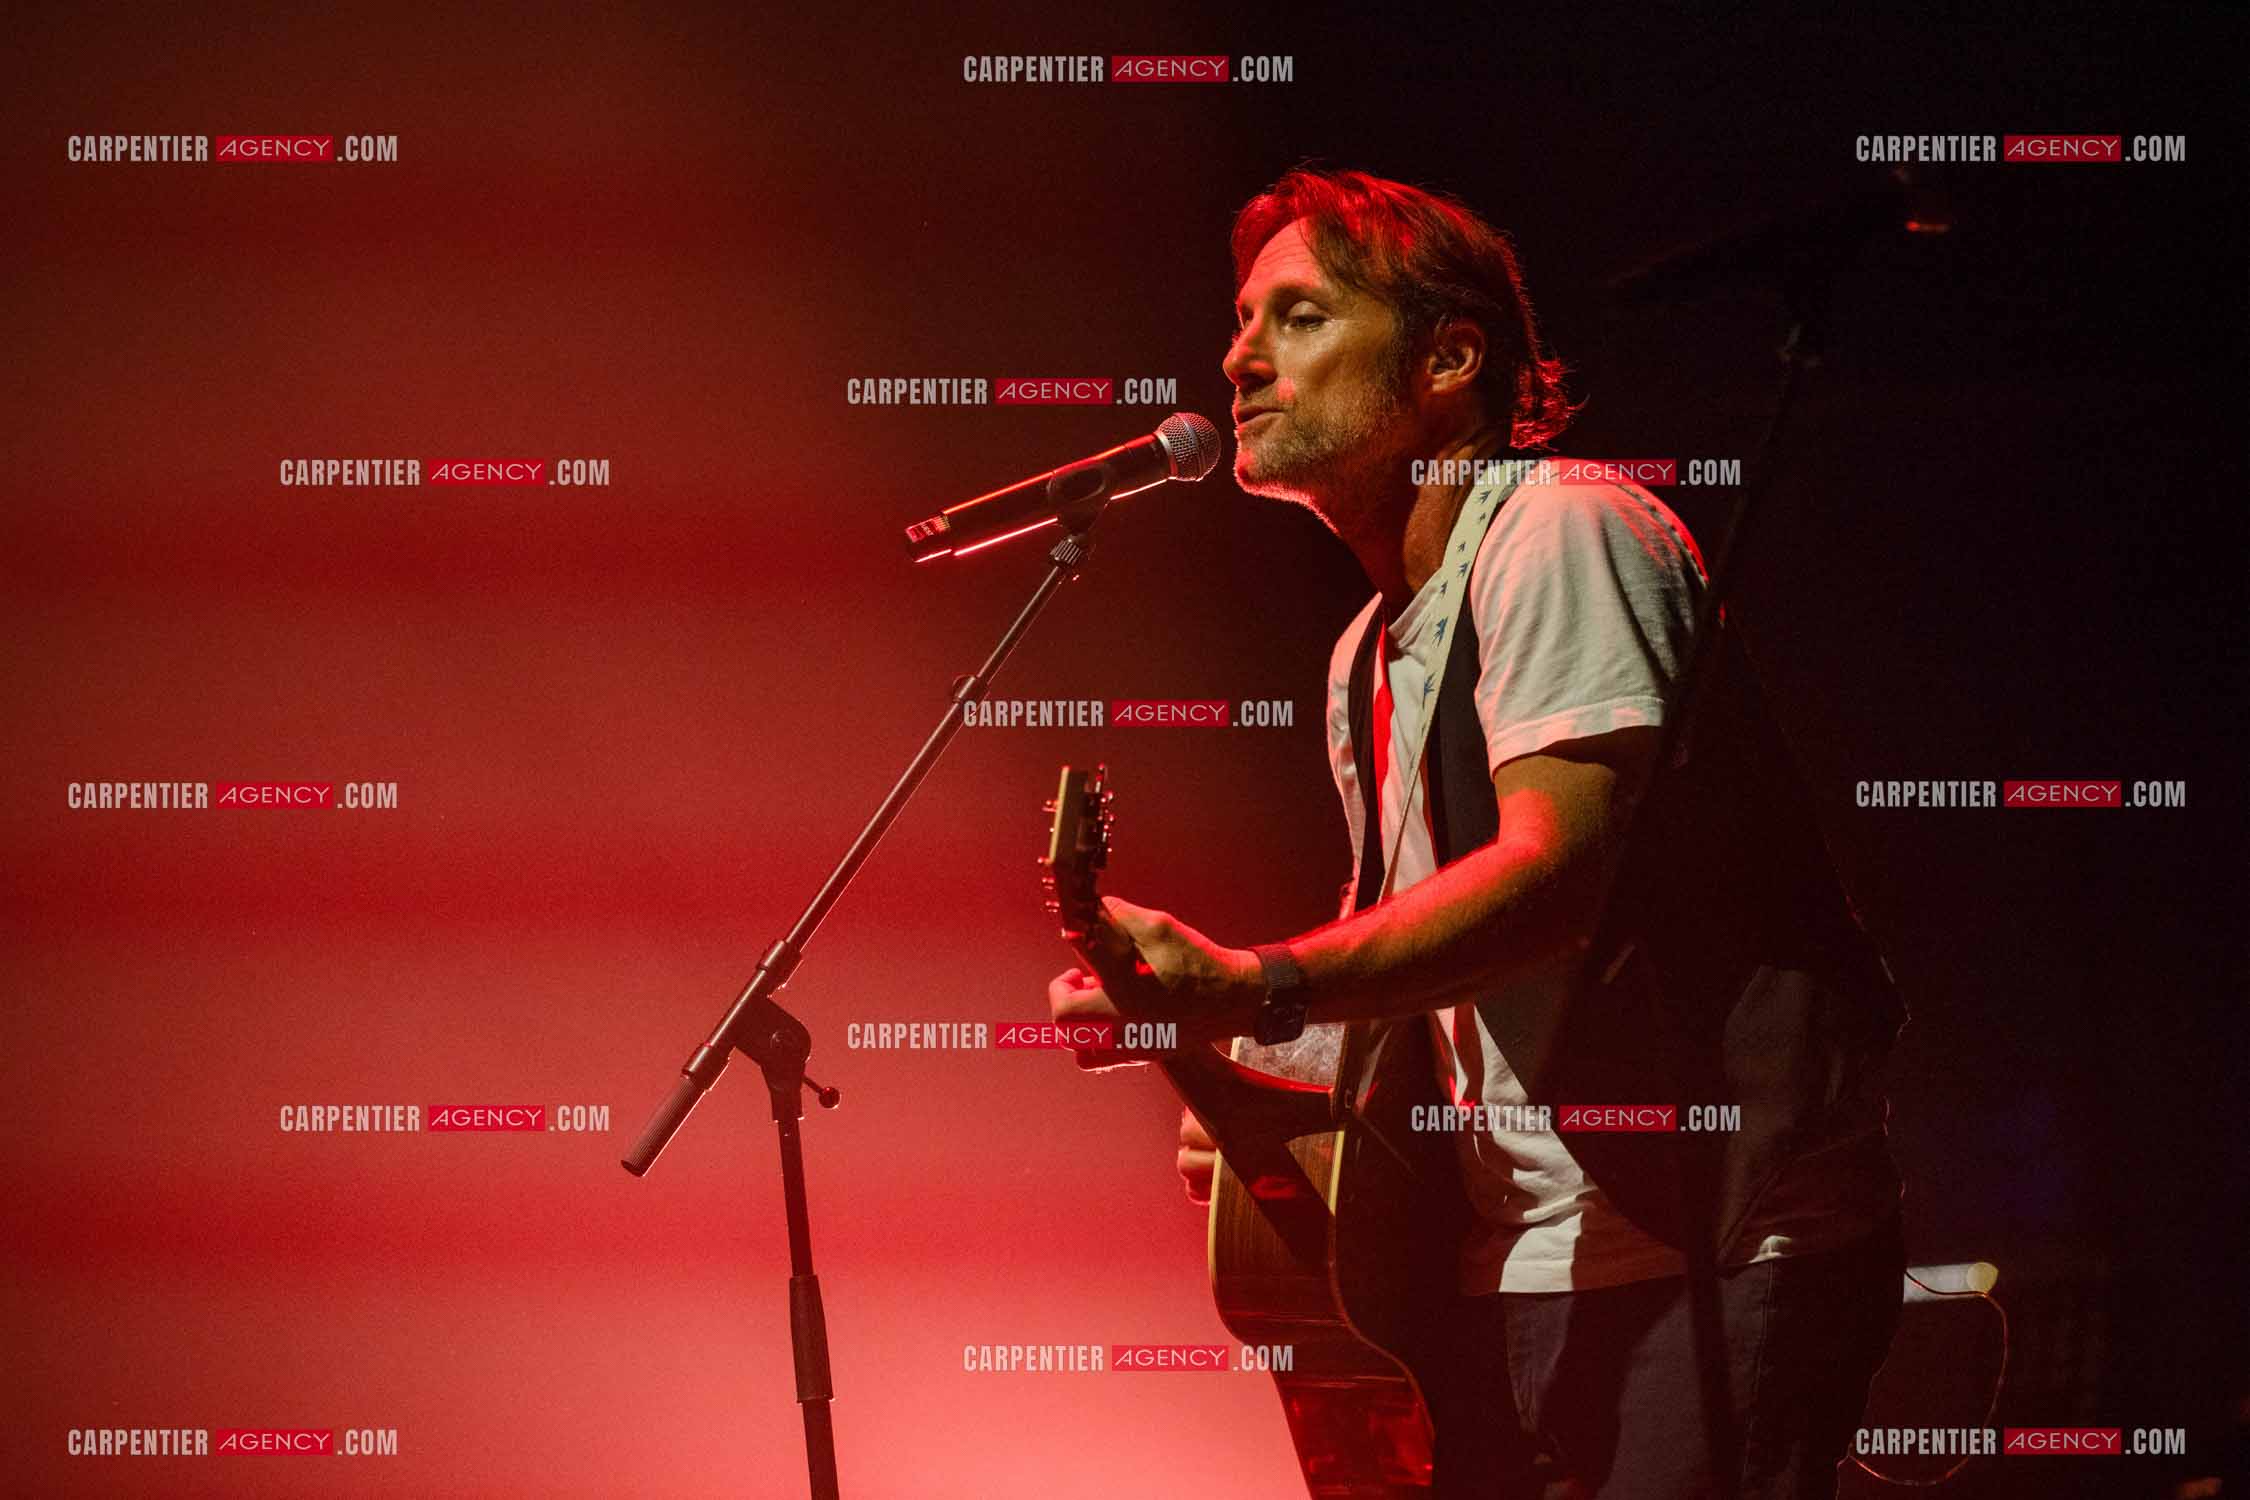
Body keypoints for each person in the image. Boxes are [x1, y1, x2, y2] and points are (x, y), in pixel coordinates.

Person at [1046, 167, 1906, 1499]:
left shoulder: (1562, 530)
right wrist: (1215, 1030)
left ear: (1450, 359)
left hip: (1711, 1246)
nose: (1238, 357)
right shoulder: (1363, 651)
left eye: (1299, 317)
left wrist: (1254, 985)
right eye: (1241, 319)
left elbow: (1557, 878)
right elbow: (1420, 976)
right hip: (1513, 1268)